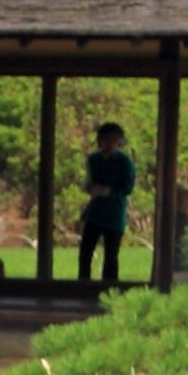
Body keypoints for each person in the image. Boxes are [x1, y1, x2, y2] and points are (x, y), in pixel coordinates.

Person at [77, 121, 137, 283]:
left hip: (114, 213)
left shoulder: (124, 162)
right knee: (85, 252)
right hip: (95, 212)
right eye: (106, 139)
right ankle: (83, 286)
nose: (110, 143)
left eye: (114, 139)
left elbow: (128, 187)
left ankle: (109, 288)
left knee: (111, 256)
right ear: (100, 140)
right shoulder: (93, 160)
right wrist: (90, 188)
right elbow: (89, 180)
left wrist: (109, 191)